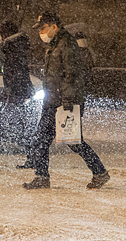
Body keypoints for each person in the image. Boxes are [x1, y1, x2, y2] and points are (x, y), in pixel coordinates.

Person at [23, 11, 110, 190]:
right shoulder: (56, 45)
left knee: (73, 141)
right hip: (53, 100)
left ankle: (99, 172)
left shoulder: (67, 45)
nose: (40, 32)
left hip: (63, 102)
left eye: (43, 28)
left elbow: (73, 75)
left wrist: (68, 101)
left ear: (54, 26)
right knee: (42, 139)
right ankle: (41, 177)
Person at [0, 20, 34, 167]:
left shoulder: (12, 48)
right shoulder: (17, 47)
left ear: (6, 34)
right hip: (17, 91)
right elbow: (20, 71)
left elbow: (16, 72)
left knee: (5, 123)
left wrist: (10, 91)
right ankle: (28, 156)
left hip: (15, 92)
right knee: (18, 124)